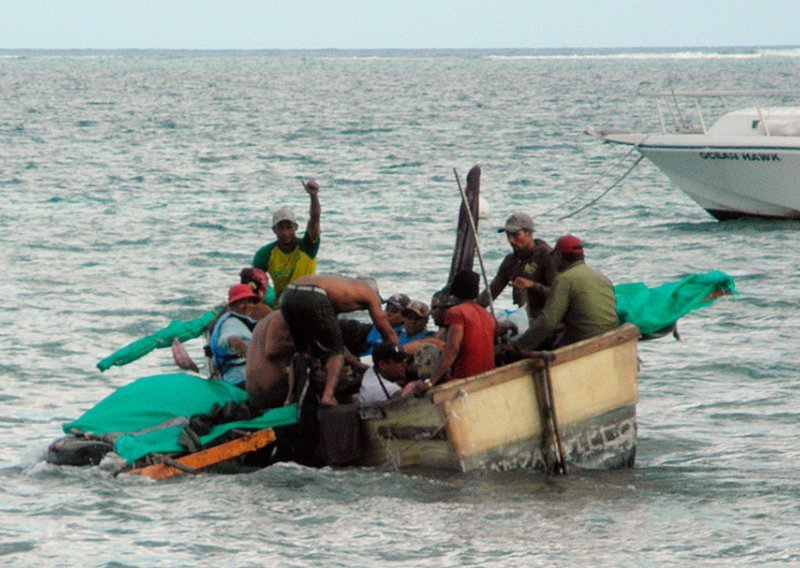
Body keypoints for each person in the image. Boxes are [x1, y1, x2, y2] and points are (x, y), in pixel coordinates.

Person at [280, 274, 400, 407]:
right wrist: (398, 355)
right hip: (313, 295)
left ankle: (289, 398)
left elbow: (333, 338)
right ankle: (328, 395)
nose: (362, 309)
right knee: (335, 353)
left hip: (288, 294)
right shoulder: (369, 293)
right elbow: (386, 330)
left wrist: (357, 365)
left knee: (302, 351)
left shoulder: (339, 290)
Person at [511, 235, 619, 351]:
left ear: (559, 256)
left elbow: (548, 322)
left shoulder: (564, 279)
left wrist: (518, 345)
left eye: (554, 256)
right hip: (610, 336)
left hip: (585, 341)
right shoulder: (601, 277)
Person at [253, 179, 321, 306]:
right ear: (274, 230)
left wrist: (313, 196)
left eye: (288, 227)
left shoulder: (307, 246)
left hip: (308, 302)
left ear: (295, 228)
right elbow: (255, 283)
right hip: (282, 305)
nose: (285, 232)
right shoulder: (265, 254)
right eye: (281, 228)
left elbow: (315, 219)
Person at [477, 212, 557, 320]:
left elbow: (559, 294)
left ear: (528, 233)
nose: (510, 240)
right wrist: (470, 309)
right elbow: (492, 292)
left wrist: (533, 285)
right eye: (508, 235)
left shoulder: (547, 257)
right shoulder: (511, 261)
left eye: (515, 235)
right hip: (525, 319)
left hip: (548, 320)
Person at [425, 270, 498, 388]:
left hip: (465, 378)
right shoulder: (488, 316)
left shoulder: (456, 312)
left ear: (454, 290)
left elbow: (452, 349)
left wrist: (430, 382)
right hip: (486, 378)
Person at [209, 284, 261, 388]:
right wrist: (233, 340)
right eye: (242, 302)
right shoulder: (231, 322)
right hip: (240, 379)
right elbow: (224, 339)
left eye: (249, 301)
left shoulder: (245, 321)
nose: (247, 306)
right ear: (232, 305)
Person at [245, 310, 295, 411]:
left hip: (253, 392)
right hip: (270, 389)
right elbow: (271, 349)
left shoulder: (263, 321)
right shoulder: (281, 316)